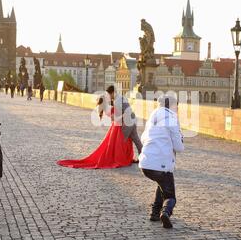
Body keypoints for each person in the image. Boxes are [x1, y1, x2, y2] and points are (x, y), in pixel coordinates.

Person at [57, 86, 136, 169]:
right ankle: (123, 157)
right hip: (118, 126)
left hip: (117, 126)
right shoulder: (111, 105)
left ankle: (123, 157)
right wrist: (123, 116)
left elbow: (114, 117)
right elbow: (115, 118)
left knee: (117, 144)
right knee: (121, 143)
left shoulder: (108, 107)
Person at [139, 94, 184, 228]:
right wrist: (180, 138)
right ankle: (165, 212)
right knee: (170, 196)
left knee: (161, 184)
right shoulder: (172, 118)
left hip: (146, 164)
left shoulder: (153, 117)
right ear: (173, 106)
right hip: (161, 164)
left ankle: (154, 213)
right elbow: (179, 147)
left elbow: (143, 138)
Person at [106, 85, 142, 161]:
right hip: (133, 119)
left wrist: (114, 118)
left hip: (128, 121)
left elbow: (123, 114)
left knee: (121, 140)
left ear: (112, 93)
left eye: (109, 94)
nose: (109, 96)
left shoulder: (117, 101)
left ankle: (122, 159)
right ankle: (143, 157)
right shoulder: (121, 97)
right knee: (136, 139)